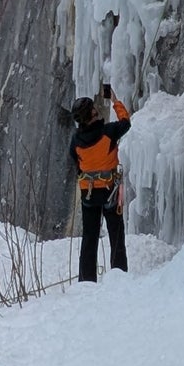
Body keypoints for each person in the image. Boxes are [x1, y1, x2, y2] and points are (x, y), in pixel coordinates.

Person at [71, 89, 131, 279]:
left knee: (89, 237)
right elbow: (125, 122)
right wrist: (115, 100)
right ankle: (119, 275)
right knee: (116, 233)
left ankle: (86, 279)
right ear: (93, 114)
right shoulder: (109, 132)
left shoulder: (76, 141)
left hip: (88, 194)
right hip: (110, 191)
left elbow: (76, 163)